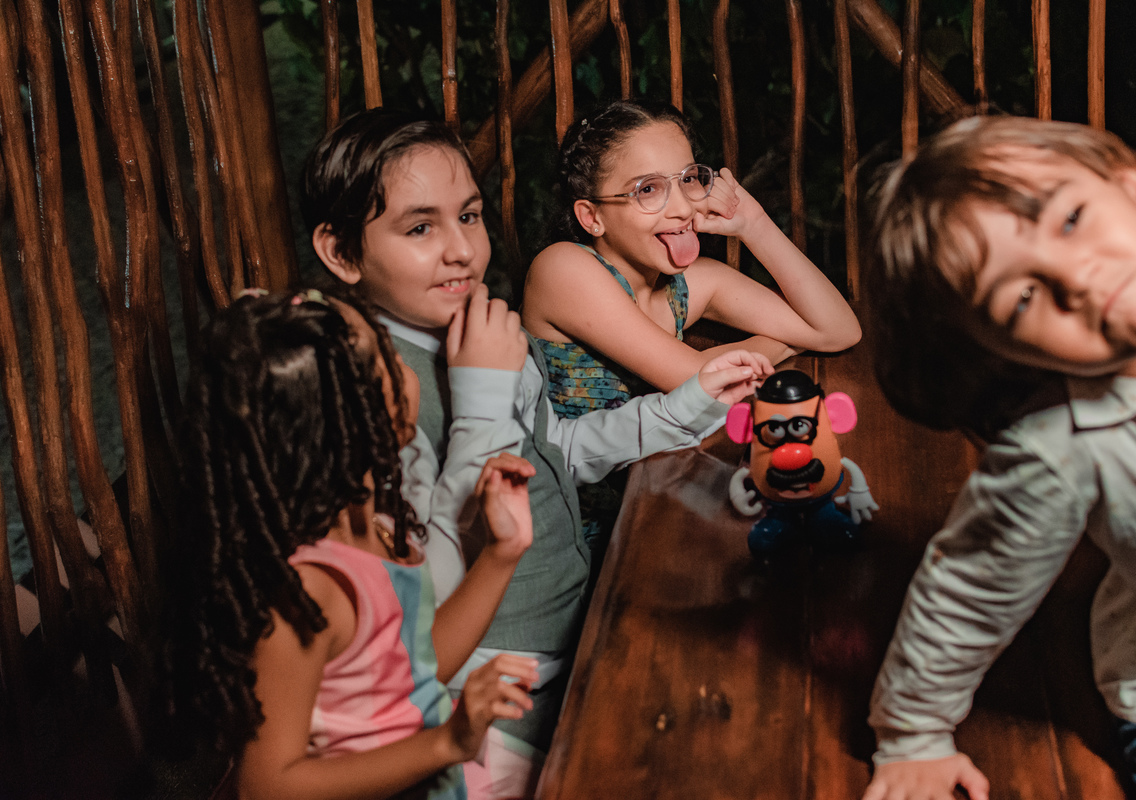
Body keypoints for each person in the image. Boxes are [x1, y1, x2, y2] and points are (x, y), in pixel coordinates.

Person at [301, 109, 774, 794]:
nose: (461, 251)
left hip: (574, 623)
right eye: (420, 228)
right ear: (342, 253)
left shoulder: (480, 323)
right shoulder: (368, 389)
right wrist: (484, 392)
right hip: (486, 691)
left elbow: (560, 452)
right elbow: (420, 596)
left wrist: (684, 405)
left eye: (469, 216)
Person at [861, 114, 1136, 800]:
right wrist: (913, 732)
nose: (1075, 277)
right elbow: (969, 590)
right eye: (1019, 298)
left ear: (1131, 185)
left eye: (1070, 219)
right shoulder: (1061, 446)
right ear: (1001, 350)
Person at [171, 288, 541, 800]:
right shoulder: (305, 592)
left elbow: (414, 665)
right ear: (352, 418)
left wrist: (503, 551)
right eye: (389, 356)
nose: (406, 365)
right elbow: (266, 786)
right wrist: (448, 742)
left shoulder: (376, 523)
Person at [522, 99, 861, 420]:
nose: (684, 208)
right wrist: (785, 342)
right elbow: (703, 383)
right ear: (592, 216)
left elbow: (838, 330)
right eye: (647, 189)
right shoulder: (563, 269)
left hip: (659, 460)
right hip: (552, 464)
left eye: (687, 179)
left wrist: (754, 224)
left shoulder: (687, 287)